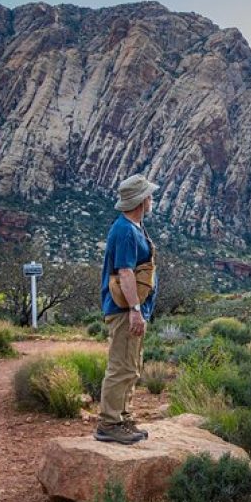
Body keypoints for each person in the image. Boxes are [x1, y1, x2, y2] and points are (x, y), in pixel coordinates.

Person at [94, 174, 159, 444]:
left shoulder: (135, 226)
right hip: (124, 311)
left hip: (131, 310)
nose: (151, 199)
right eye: (149, 195)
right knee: (121, 365)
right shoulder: (125, 230)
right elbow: (125, 272)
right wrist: (135, 309)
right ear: (141, 201)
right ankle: (109, 424)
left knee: (131, 365)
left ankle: (122, 417)